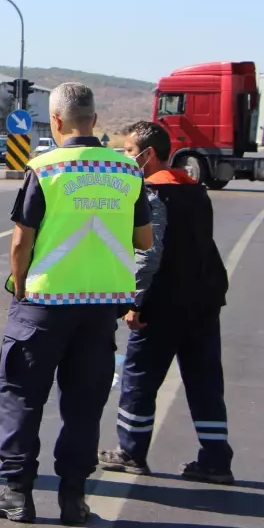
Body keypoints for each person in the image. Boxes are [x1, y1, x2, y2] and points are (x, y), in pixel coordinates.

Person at [0, 83, 152, 526]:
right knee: (83, 405)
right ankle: (74, 499)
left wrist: (19, 287)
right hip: (100, 309)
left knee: (22, 397)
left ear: (55, 121)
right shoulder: (128, 171)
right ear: (94, 122)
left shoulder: (44, 168)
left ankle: (17, 493)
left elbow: (22, 240)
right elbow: (144, 240)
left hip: (43, 304)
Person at [98, 121, 233, 484]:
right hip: (203, 301)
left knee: (139, 377)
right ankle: (216, 459)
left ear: (148, 154)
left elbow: (148, 255)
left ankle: (131, 451)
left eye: (129, 150)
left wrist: (135, 302)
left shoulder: (152, 193)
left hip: (163, 305)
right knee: (205, 380)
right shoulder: (195, 190)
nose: (126, 157)